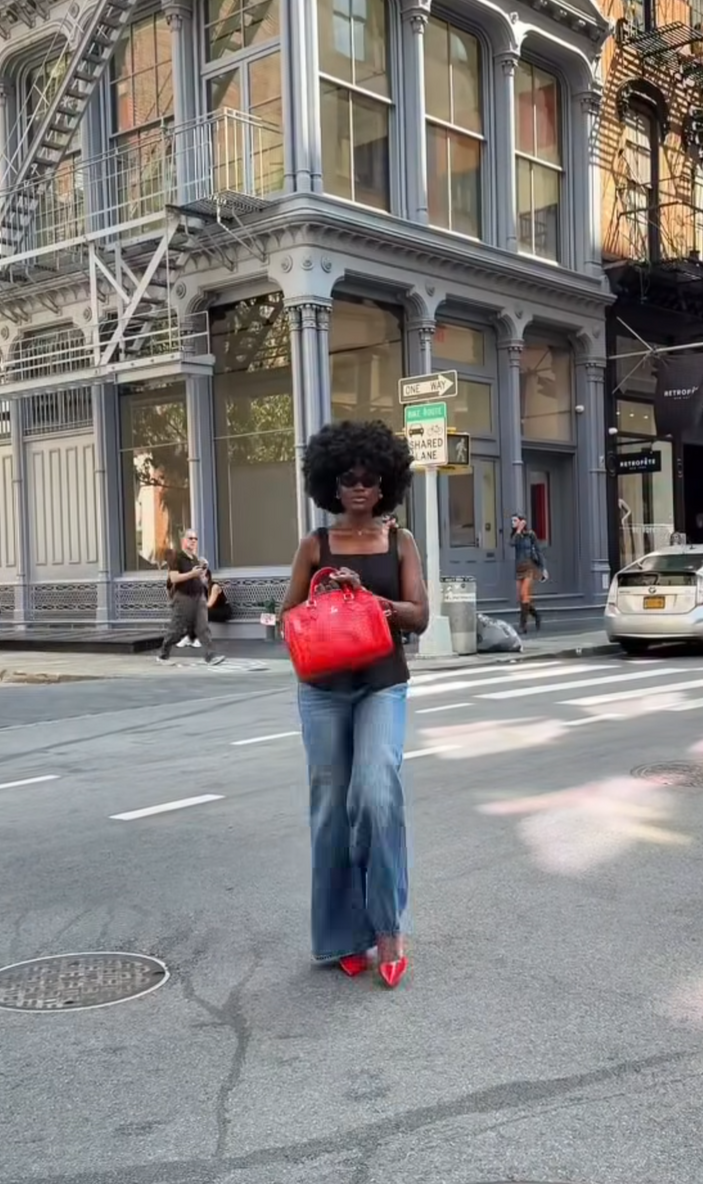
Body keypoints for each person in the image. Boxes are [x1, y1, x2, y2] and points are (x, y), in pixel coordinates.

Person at [281, 420, 429, 990]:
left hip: (381, 682)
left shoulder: (402, 541)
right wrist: (325, 594)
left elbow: (420, 615)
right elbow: (285, 618)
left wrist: (370, 600)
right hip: (322, 689)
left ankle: (388, 926)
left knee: (376, 792)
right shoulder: (313, 545)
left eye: (370, 478)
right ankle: (344, 934)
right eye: (348, 478)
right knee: (330, 809)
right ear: (331, 485)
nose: (360, 487)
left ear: (386, 481)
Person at [156, 531, 225, 666]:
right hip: (183, 597)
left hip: (198, 596)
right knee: (177, 629)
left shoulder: (194, 558)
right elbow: (174, 578)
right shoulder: (176, 557)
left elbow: (201, 579)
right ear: (183, 541)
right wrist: (192, 573)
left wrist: (203, 570)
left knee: (203, 627)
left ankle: (211, 656)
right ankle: (164, 653)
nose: (193, 541)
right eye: (190, 538)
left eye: (195, 538)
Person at [509, 514, 545, 633]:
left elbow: (538, 550)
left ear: (521, 522)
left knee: (525, 594)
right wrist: (518, 530)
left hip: (529, 567)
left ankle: (522, 625)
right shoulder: (515, 535)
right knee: (521, 598)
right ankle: (536, 615)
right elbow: (512, 543)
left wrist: (543, 568)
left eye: (515, 520)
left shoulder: (531, 535)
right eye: (512, 521)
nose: (512, 523)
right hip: (518, 567)